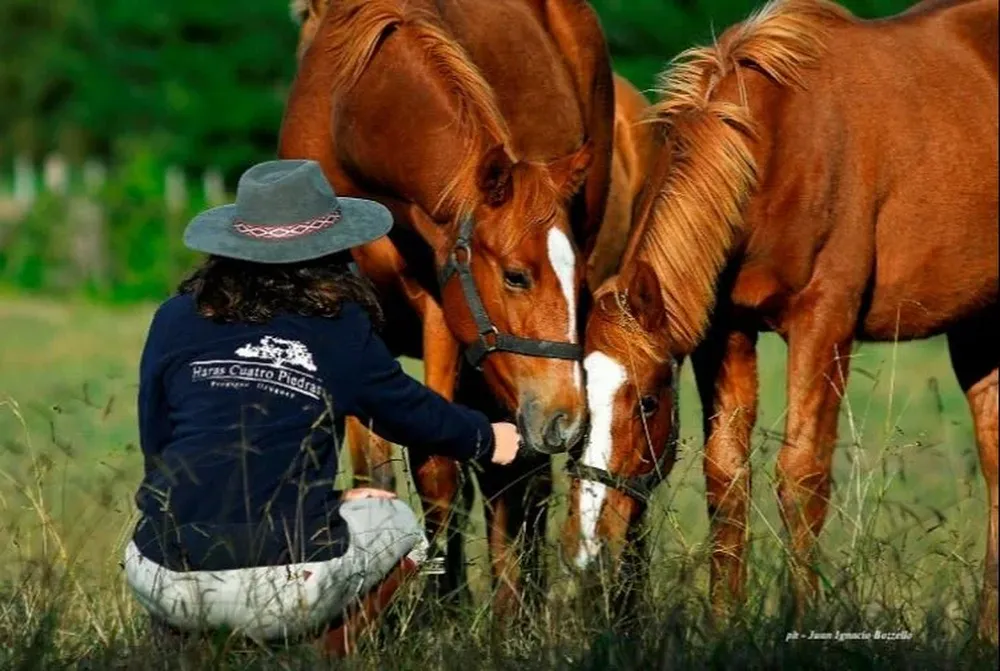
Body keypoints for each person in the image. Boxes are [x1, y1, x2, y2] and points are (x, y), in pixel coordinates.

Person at [122, 159, 522, 651]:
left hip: (161, 569)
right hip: (289, 584)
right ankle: (316, 655)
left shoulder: (175, 316)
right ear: (330, 248)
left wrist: (326, 502)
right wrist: (487, 437)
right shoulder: (335, 324)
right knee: (402, 528)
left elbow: (156, 437)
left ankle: (188, 649)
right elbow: (406, 410)